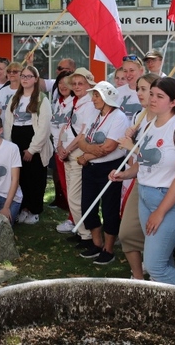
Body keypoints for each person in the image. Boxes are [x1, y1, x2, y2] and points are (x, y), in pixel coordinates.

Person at [112, 77, 175, 286]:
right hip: (145, 196)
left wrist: (160, 212)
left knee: (155, 266)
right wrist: (123, 174)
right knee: (163, 260)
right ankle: (168, 308)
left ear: (174, 102)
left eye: (160, 96)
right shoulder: (149, 125)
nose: (152, 99)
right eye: (152, 94)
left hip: (170, 201)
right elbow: (143, 164)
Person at [76, 81, 128, 263]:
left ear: (107, 97)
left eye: (96, 95)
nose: (93, 99)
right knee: (87, 206)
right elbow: (81, 140)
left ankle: (109, 249)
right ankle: (97, 244)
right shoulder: (94, 113)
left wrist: (87, 156)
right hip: (91, 169)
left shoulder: (119, 117)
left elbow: (109, 147)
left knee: (109, 209)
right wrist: (90, 152)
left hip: (110, 168)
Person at [117, 72, 161, 280]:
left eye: (144, 89)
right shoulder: (139, 117)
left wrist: (132, 148)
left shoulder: (165, 119)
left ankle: (156, 275)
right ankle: (138, 278)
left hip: (162, 185)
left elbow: (156, 157)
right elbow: (139, 162)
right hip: (140, 181)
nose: (140, 93)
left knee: (156, 238)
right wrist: (124, 174)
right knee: (126, 233)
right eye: (139, 89)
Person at [3, 64, 53, 225]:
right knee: (20, 176)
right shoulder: (15, 98)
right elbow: (8, 122)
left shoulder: (42, 99)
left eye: (28, 76)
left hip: (34, 142)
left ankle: (34, 210)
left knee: (35, 177)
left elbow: (44, 127)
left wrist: (32, 149)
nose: (25, 79)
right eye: (23, 76)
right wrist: (9, 145)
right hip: (16, 139)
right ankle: (23, 208)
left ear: (36, 79)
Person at [55, 68, 98, 250]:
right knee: (73, 197)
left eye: (81, 83)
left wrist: (67, 149)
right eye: (75, 83)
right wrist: (59, 145)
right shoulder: (76, 102)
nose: (77, 86)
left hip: (78, 155)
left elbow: (83, 134)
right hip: (68, 153)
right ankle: (82, 233)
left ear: (89, 85)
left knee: (75, 198)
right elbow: (67, 126)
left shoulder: (89, 104)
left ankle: (87, 235)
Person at [49, 71, 73, 215]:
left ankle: (74, 218)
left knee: (72, 187)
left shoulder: (75, 103)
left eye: (66, 82)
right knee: (64, 185)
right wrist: (57, 146)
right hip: (59, 149)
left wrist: (62, 146)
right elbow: (54, 126)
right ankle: (72, 216)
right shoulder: (58, 102)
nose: (63, 86)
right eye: (60, 83)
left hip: (69, 150)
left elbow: (69, 128)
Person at [0, 62, 22, 126]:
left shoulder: (25, 90)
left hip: (20, 127)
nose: (11, 73)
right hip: (4, 128)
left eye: (15, 71)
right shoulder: (2, 91)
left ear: (21, 73)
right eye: (9, 71)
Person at [117, 55, 145, 120]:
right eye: (125, 71)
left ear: (141, 71)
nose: (128, 74)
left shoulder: (150, 93)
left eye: (131, 70)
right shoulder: (117, 92)